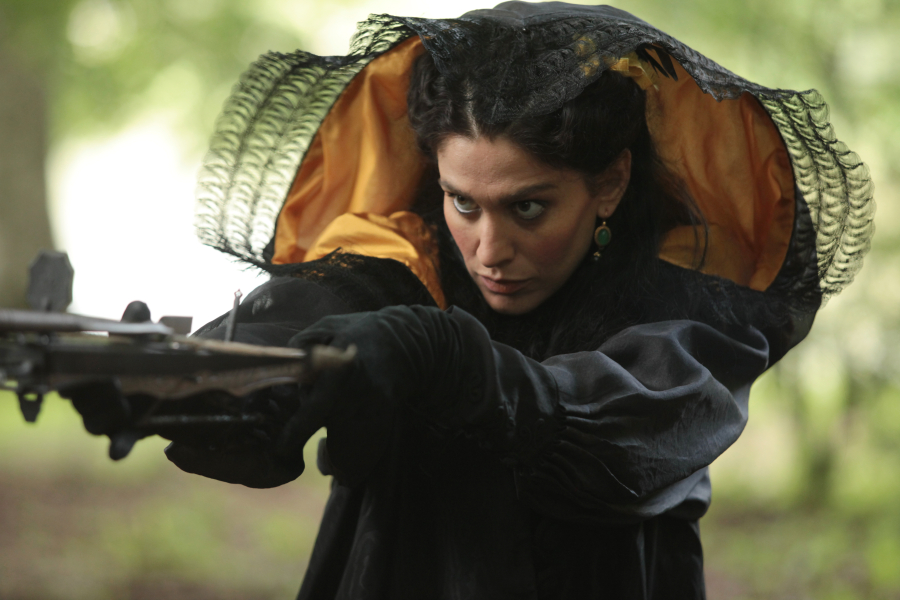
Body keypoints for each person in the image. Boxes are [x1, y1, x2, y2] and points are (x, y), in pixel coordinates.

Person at [69, 3, 874, 599]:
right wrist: (190, 383)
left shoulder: (685, 310)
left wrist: (445, 361)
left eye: (528, 207)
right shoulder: (399, 265)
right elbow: (299, 326)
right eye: (463, 203)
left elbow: (628, 437)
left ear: (610, 183)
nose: (489, 250)